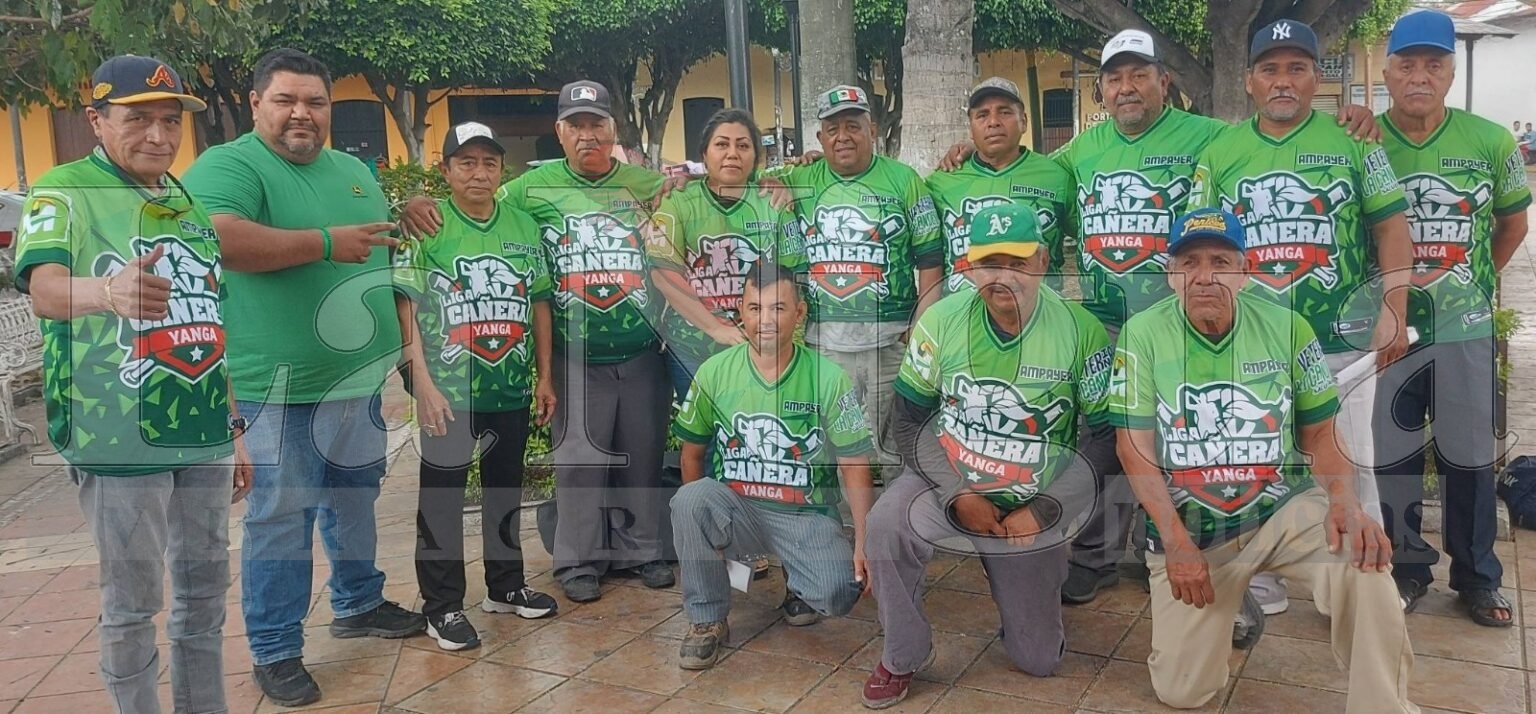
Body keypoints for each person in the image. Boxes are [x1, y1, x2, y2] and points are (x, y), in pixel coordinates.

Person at [183, 48, 422, 707]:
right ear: (257, 103)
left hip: (357, 381)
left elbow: (378, 240)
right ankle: (276, 648)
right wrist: (323, 242)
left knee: (355, 498)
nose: (301, 113)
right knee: (281, 517)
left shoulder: (351, 169)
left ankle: (358, 601)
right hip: (276, 389)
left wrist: (413, 214)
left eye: (315, 102)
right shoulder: (230, 165)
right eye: (286, 100)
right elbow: (218, 238)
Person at [12, 54, 248, 714]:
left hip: (200, 429)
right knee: (133, 601)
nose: (158, 135)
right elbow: (44, 290)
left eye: (170, 121)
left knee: (204, 592)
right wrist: (107, 290)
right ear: (96, 120)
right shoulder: (64, 190)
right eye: (137, 119)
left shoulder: (185, 198)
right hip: (115, 433)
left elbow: (207, 317)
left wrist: (232, 425)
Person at [1112, 207, 1417, 712]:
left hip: (1280, 509)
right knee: (1182, 692)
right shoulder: (1142, 334)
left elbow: (1321, 433)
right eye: (1188, 263)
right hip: (1195, 528)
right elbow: (1133, 448)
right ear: (1170, 274)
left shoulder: (1288, 327)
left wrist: (1345, 501)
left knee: (1364, 561)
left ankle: (1384, 706)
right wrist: (1175, 541)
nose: (1204, 276)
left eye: (1220, 261)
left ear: (1246, 271)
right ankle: (1235, 593)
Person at [402, 80, 674, 603]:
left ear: (614, 130)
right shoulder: (529, 188)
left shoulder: (648, 184)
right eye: (575, 125)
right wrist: (417, 203)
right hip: (575, 352)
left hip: (641, 348)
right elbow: (472, 202)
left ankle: (644, 551)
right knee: (577, 462)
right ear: (560, 131)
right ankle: (579, 560)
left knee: (642, 456)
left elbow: (692, 205)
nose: (587, 134)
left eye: (597, 124)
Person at [1189, 19, 1414, 621]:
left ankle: (1355, 583)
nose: (1282, 81)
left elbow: (1392, 227)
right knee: (1260, 458)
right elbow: (1199, 245)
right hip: (1253, 340)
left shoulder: (1355, 141)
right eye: (1270, 69)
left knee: (1350, 462)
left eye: (1296, 68)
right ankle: (1264, 580)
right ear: (1249, 80)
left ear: (1318, 77)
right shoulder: (1219, 152)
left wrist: (1395, 308)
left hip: (1341, 340)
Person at [861, 203, 1116, 709]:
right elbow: (908, 421)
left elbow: (1105, 439)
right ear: (968, 266)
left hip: (1033, 493)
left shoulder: (1081, 331)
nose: (1002, 277)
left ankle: (1025, 585)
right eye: (989, 264)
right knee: (885, 523)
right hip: (951, 476)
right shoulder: (942, 319)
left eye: (1017, 263)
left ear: (1043, 261)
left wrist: (1044, 508)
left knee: (1039, 660)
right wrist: (959, 493)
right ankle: (902, 653)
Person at [1373, 10, 1530, 625]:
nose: (1420, 76)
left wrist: (1470, 281)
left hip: (1464, 330)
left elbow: (1513, 225)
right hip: (1391, 328)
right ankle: (1406, 570)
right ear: (1387, 71)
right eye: (1407, 64)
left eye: (1433, 65)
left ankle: (1477, 576)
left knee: (1468, 456)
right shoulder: (1362, 139)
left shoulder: (1489, 140)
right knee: (1393, 455)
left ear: (1449, 71)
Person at [394, 122, 563, 652]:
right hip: (448, 388)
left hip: (509, 385)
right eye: (466, 162)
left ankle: (505, 585)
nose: (479, 173)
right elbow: (407, 307)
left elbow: (538, 301)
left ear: (501, 170)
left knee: (503, 490)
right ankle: (441, 607)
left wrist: (545, 376)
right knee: (441, 498)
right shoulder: (431, 225)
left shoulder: (521, 224)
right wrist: (420, 382)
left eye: (489, 162)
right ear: (445, 170)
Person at [670, 262, 874, 670]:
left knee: (839, 593)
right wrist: (704, 532)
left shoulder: (829, 378)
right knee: (689, 500)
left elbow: (855, 463)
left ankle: (800, 585)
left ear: (799, 314)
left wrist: (863, 542)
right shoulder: (714, 373)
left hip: (804, 513)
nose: (765, 320)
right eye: (755, 308)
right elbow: (691, 455)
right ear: (740, 314)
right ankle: (707, 619)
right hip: (739, 508)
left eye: (778, 308)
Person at [774, 84, 945, 466]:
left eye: (852, 126)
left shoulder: (905, 181)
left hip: (892, 343)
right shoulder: (798, 180)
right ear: (819, 137)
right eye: (832, 129)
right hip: (827, 346)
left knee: (898, 446)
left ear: (872, 130)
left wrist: (919, 327)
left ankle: (894, 522)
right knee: (838, 446)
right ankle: (848, 525)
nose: (842, 137)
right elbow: (734, 172)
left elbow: (930, 258)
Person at [647, 108, 806, 399]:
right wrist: (716, 329)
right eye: (721, 144)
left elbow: (792, 278)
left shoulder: (774, 204)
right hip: (692, 349)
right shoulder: (678, 201)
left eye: (743, 145)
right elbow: (663, 273)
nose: (732, 153)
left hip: (760, 348)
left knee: (756, 433)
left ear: (756, 157)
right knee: (702, 439)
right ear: (704, 154)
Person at [925, 77, 1074, 294]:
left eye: (1004, 112)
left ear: (1024, 121)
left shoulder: (1057, 177)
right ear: (970, 128)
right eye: (982, 115)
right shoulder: (941, 181)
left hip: (1039, 318)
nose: (993, 122)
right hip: (962, 318)